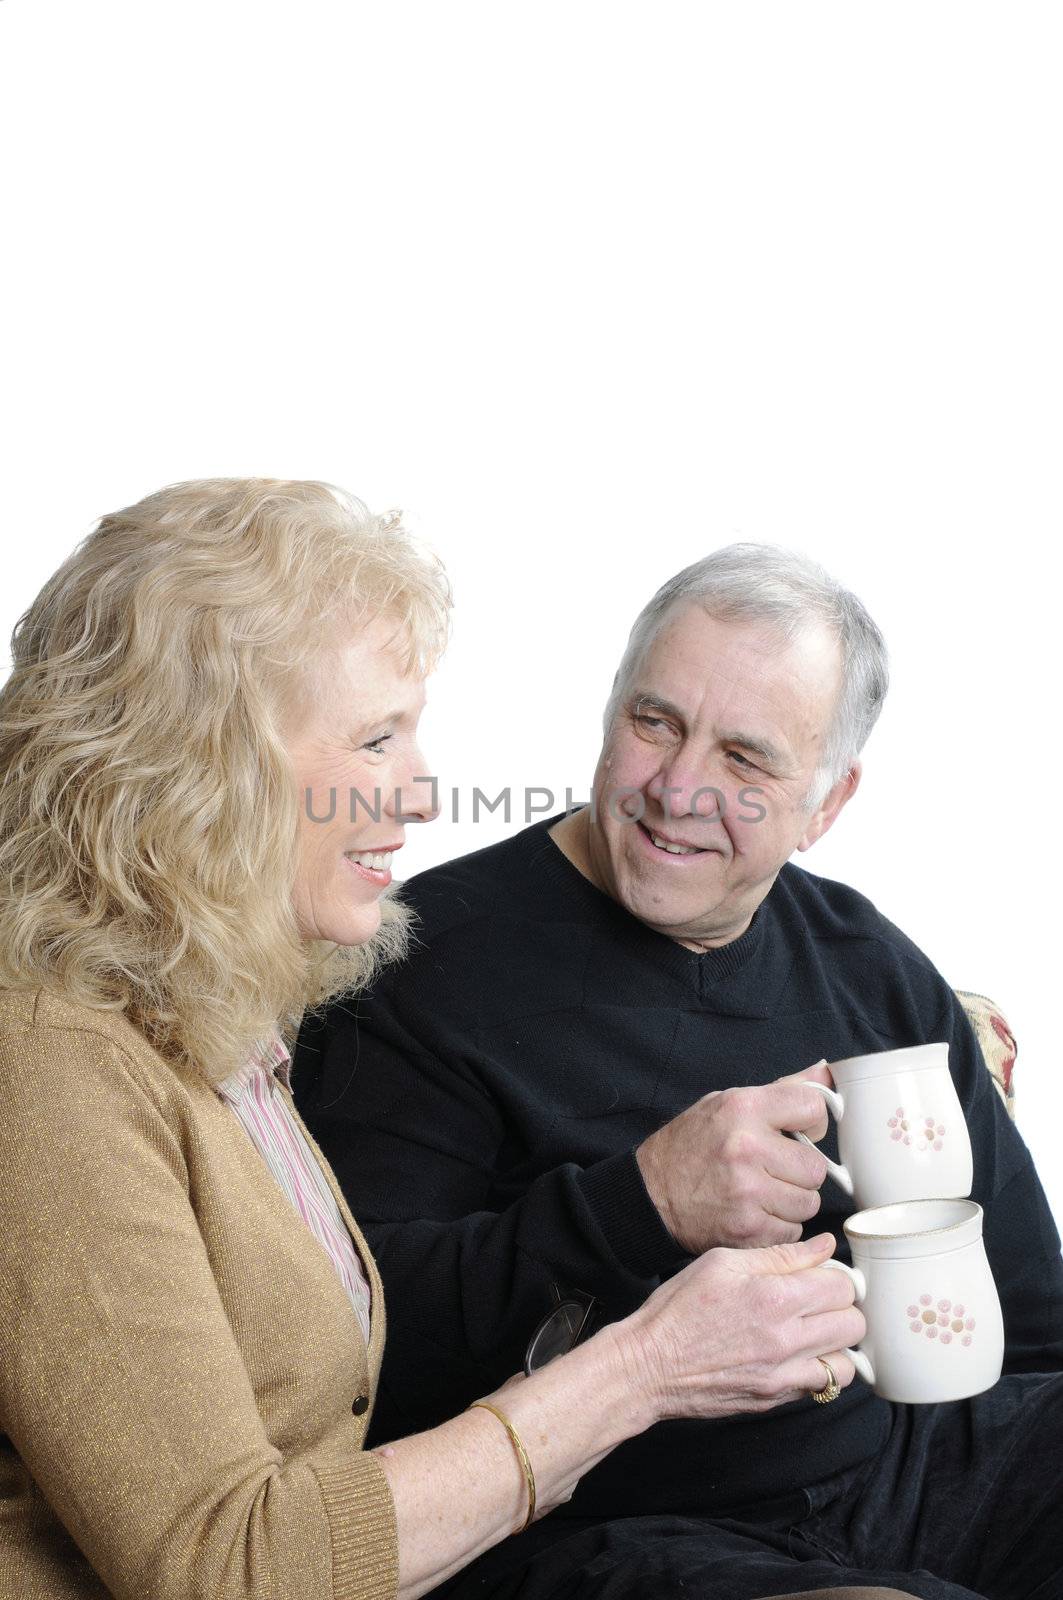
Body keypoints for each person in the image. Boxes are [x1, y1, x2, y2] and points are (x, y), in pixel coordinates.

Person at [0, 483, 872, 1600]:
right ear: (200, 770)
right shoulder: (52, 1064)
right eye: (376, 740)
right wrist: (646, 1365)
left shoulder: (219, 1030)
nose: (421, 791)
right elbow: (230, 1566)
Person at [293, 544, 1063, 1600]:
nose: (679, 788)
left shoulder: (867, 964)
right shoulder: (418, 966)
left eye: (745, 759)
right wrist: (638, 1202)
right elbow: (348, 1362)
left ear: (826, 802)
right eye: (654, 722)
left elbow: (1025, 1325)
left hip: (905, 1472)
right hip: (602, 1528)